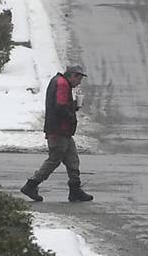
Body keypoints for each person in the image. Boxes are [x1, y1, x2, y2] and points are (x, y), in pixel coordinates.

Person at [20, 65, 94, 202]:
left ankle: (75, 190)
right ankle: (31, 185)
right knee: (54, 160)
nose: (79, 83)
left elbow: (60, 104)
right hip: (58, 130)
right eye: (79, 79)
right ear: (73, 75)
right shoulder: (62, 84)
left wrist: (73, 106)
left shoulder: (60, 82)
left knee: (73, 160)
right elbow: (60, 106)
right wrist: (71, 114)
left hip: (63, 131)